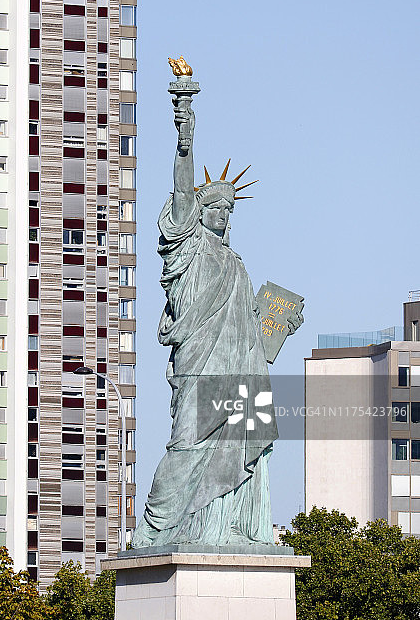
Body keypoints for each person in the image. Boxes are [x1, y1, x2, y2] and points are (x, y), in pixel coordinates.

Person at [132, 94, 278, 548]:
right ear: (198, 212)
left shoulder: (236, 264)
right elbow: (181, 189)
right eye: (217, 207)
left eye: (230, 210)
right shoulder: (187, 248)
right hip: (200, 365)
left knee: (239, 448)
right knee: (187, 449)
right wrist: (185, 136)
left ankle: (227, 527)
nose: (224, 215)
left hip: (238, 372)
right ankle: (158, 526)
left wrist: (274, 327)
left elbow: (246, 331)